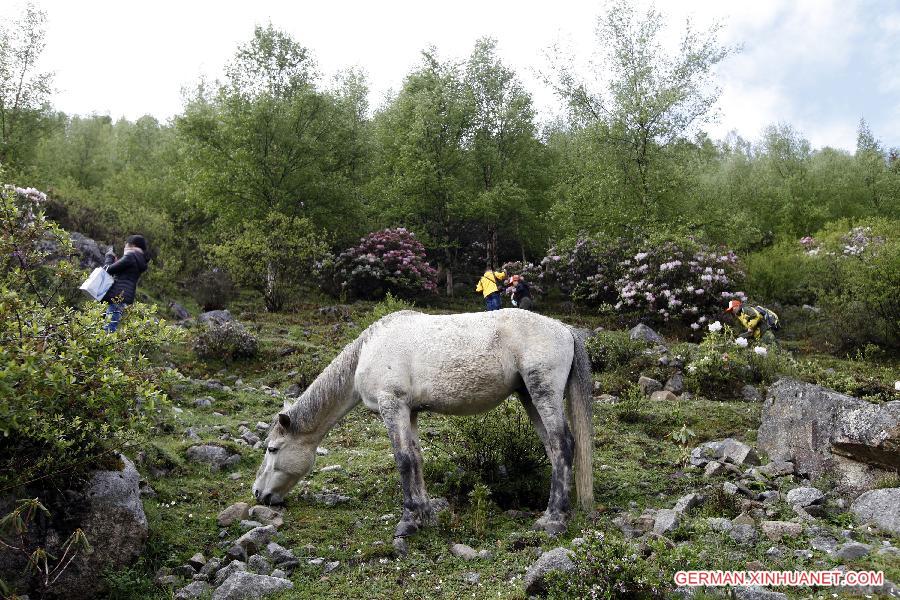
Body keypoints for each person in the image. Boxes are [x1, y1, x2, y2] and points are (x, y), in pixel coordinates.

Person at [102, 234, 149, 332]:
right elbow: (124, 272)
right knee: (110, 324)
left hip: (117, 295)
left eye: (126, 245)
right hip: (125, 296)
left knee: (108, 328)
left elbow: (108, 269)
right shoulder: (139, 259)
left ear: (132, 245)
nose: (125, 247)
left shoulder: (131, 256)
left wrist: (109, 257)